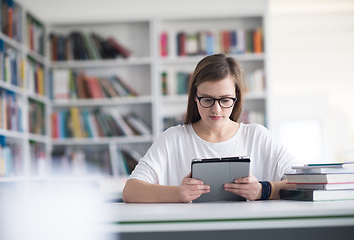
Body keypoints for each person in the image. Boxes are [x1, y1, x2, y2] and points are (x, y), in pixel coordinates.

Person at [122, 53, 298, 203]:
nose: (216, 109)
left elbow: (304, 183)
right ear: (194, 97)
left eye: (225, 100)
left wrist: (263, 190)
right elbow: (130, 191)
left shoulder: (257, 136)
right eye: (207, 99)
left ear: (236, 97)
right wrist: (178, 193)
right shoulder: (173, 139)